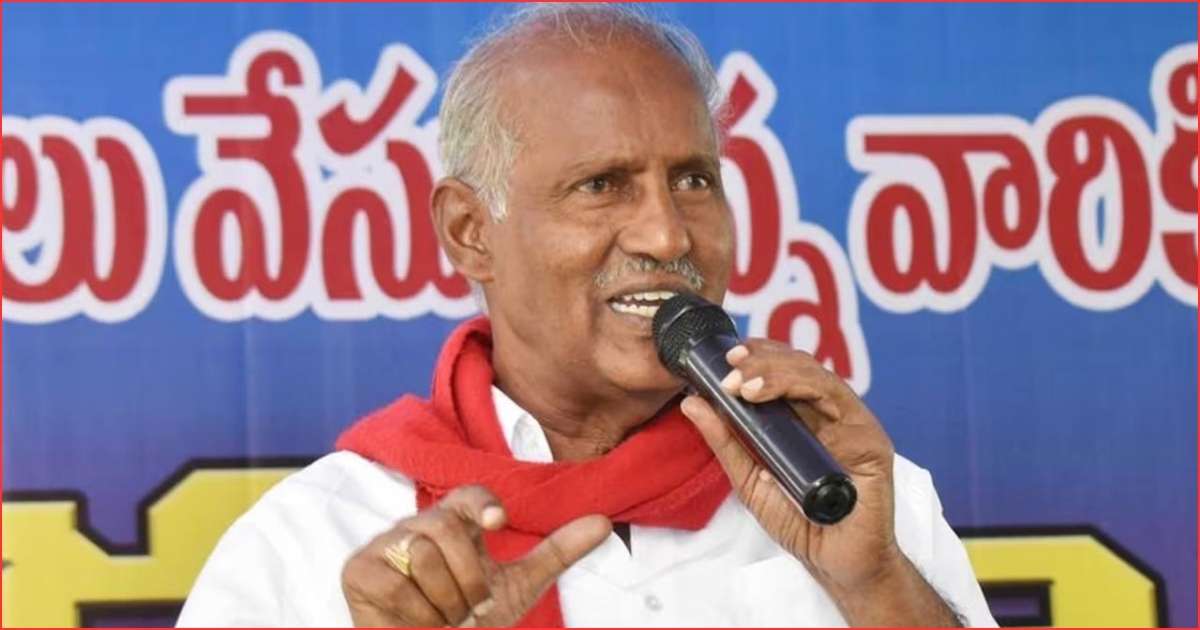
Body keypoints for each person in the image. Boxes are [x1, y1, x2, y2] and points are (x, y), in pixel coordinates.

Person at [178, 5, 996, 627]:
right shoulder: (318, 542)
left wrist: (876, 584)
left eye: (693, 180)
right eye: (602, 185)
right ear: (470, 232)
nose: (667, 235)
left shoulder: (844, 491)